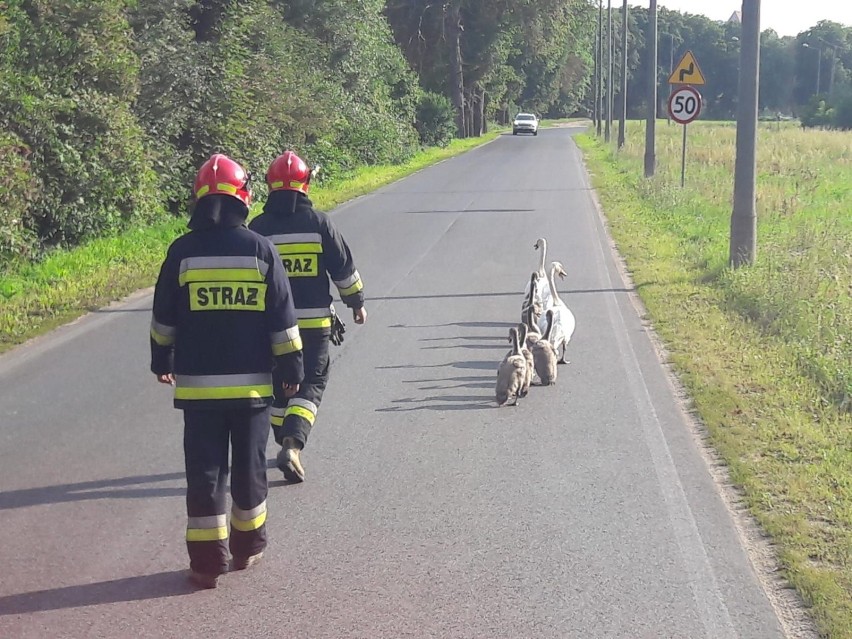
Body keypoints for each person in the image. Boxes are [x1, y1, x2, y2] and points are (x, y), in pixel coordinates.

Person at [150, 153, 303, 589]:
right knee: (249, 469)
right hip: (253, 391)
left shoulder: (181, 252)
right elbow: (282, 319)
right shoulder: (260, 250)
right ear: (243, 199)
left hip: (199, 393)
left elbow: (164, 318)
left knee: (205, 473)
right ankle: (247, 547)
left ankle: (205, 563)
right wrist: (291, 367)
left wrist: (162, 361)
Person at [249, 150, 366, 483]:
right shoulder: (318, 223)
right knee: (311, 382)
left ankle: (283, 434)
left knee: (277, 386)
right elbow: (343, 267)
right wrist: (356, 302)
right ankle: (293, 443)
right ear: (306, 185)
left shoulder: (258, 229)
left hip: (270, 329)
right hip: (313, 326)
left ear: (270, 186)